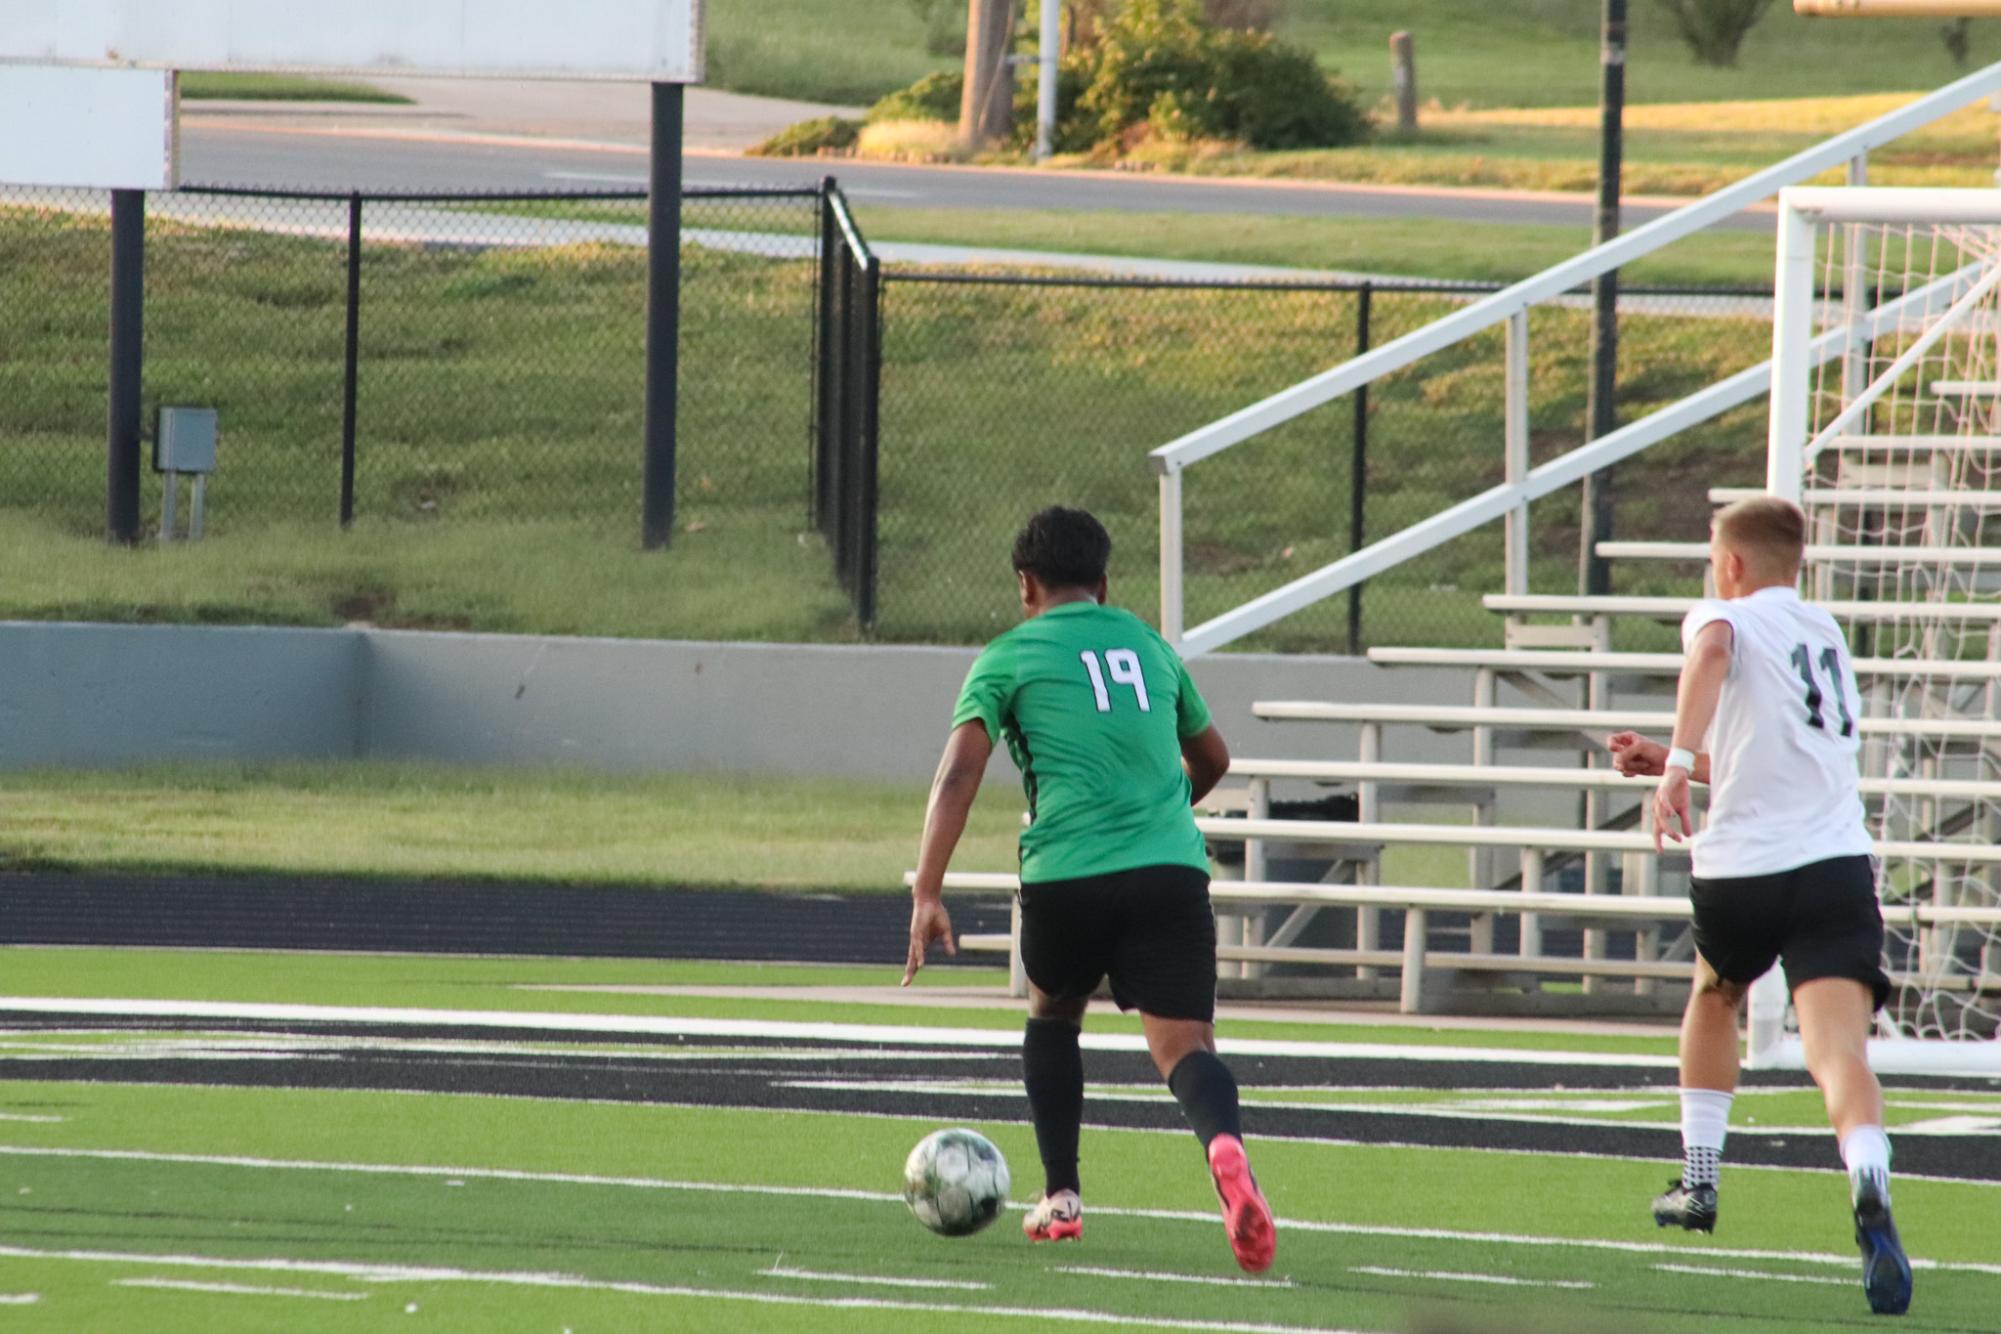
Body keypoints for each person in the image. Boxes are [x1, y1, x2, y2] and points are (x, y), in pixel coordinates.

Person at [900, 505, 1275, 1274]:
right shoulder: (1148, 645)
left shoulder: (1006, 657)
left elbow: (959, 773)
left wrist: (927, 891)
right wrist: (1165, 811)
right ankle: (1225, 1148)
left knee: (1051, 1014)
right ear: (1103, 582)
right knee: (1184, 1049)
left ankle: (1061, 1196)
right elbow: (1213, 759)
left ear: (1024, 585)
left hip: (1066, 873)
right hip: (1169, 869)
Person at [1608, 494, 1911, 1316]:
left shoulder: (1720, 614)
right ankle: (1869, 1180)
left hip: (1745, 868)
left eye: (1714, 551)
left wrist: (1672, 764)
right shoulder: (1825, 635)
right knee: (1837, 1052)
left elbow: (1708, 652)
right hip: (1834, 866)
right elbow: (1769, 756)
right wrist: (1678, 762)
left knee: (1715, 996)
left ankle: (1700, 1182)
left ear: (1732, 563)